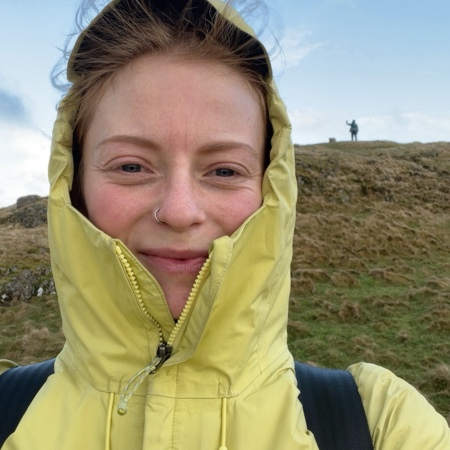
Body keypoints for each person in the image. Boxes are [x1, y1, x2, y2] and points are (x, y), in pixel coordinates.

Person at [1, 0, 449, 448]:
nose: (180, 211)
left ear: (272, 188)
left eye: (225, 170)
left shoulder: (380, 424)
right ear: (73, 185)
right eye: (131, 166)